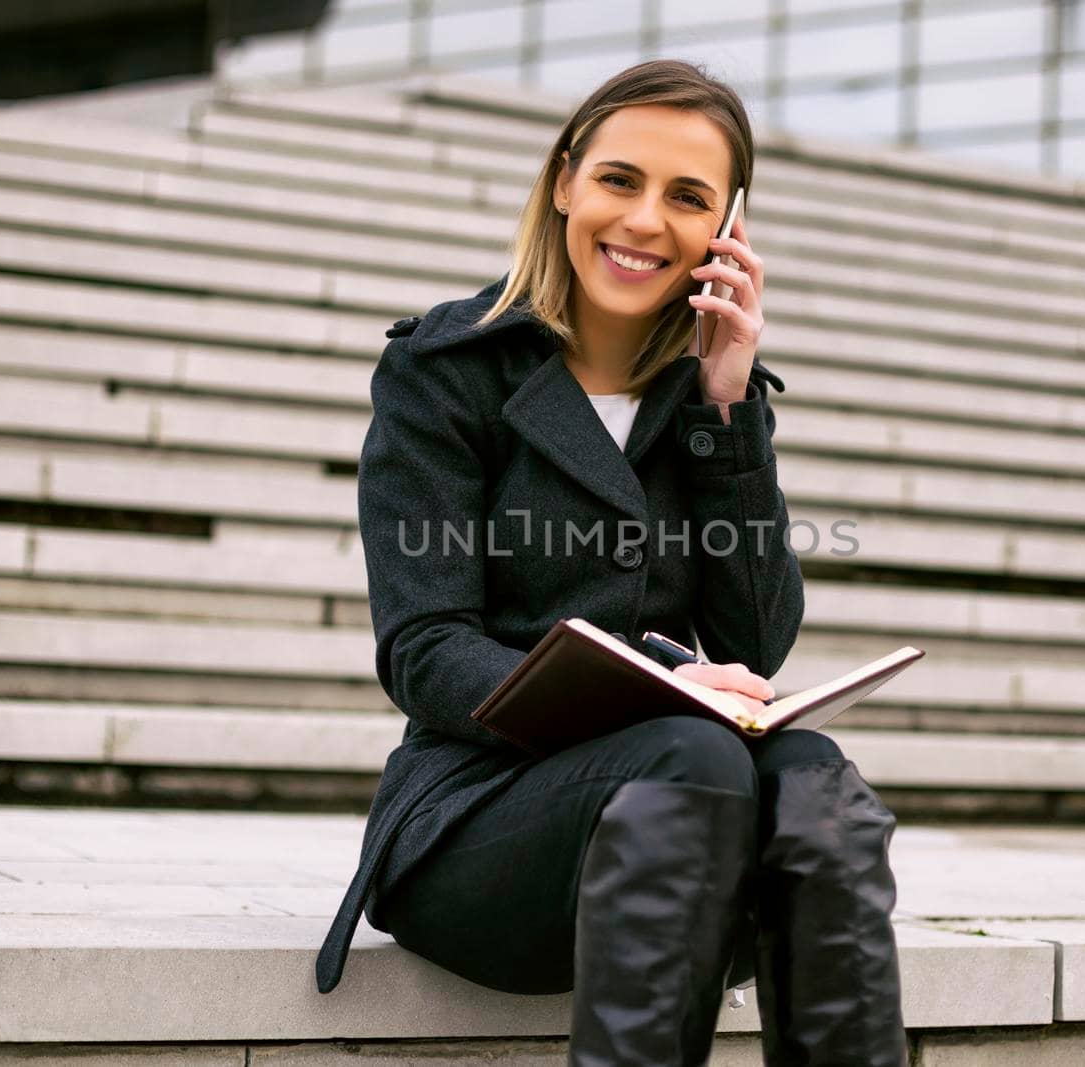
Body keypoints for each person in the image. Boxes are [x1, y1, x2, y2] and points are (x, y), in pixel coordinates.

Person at [315, 58, 908, 1067]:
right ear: (563, 182)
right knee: (697, 751)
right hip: (474, 824)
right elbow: (423, 648)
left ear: (726, 230)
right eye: (619, 179)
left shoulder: (711, 397)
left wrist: (726, 409)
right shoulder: (446, 370)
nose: (643, 220)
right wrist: (666, 682)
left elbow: (758, 640)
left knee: (811, 772)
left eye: (687, 197)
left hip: (684, 842)